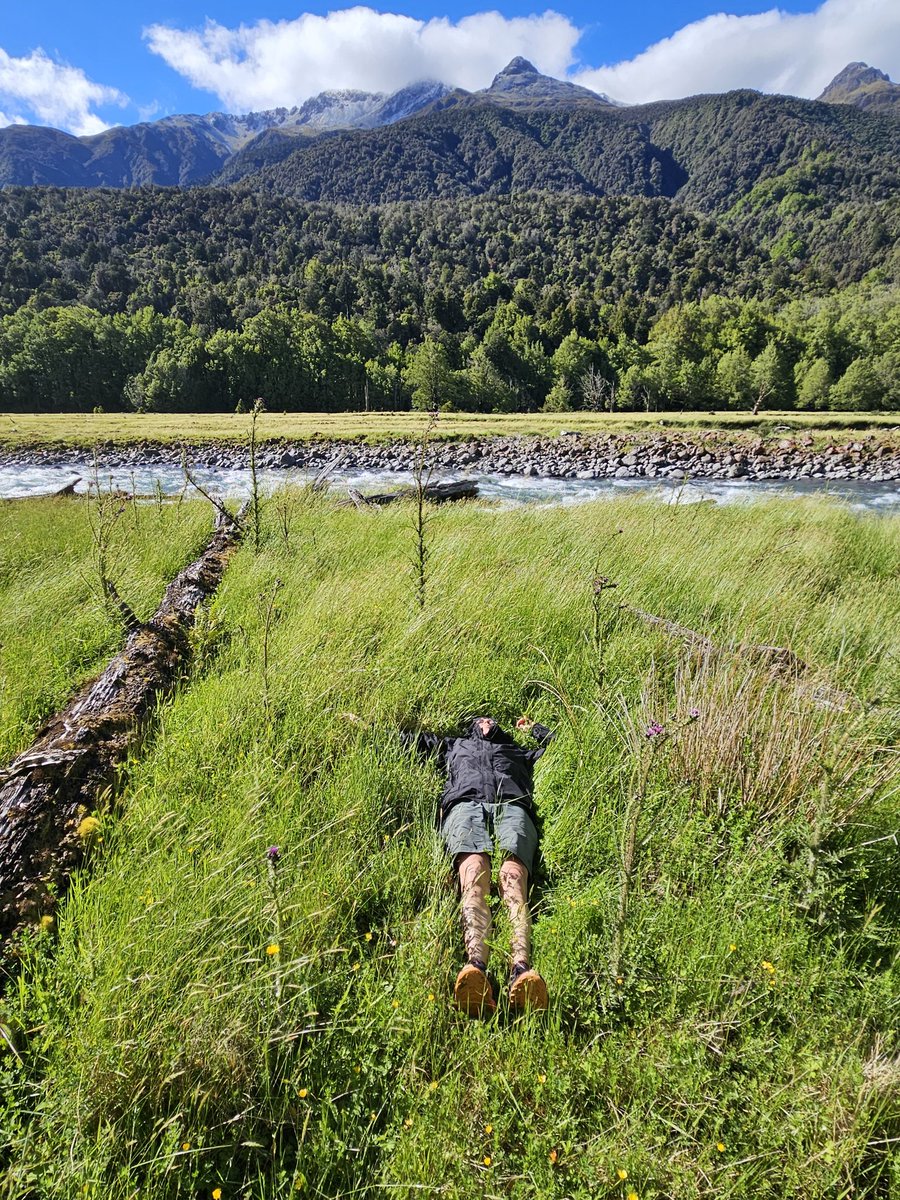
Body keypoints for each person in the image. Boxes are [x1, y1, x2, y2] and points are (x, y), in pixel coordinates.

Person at [405, 714, 556, 1016]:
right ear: (471, 726)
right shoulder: (454, 745)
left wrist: (532, 729)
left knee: (512, 875)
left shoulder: (517, 750)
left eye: (491, 718)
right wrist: (360, 725)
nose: (486, 721)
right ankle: (476, 969)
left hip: (512, 806)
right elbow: (409, 741)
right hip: (464, 805)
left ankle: (522, 970)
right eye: (479, 718)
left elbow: (560, 742)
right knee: (474, 871)